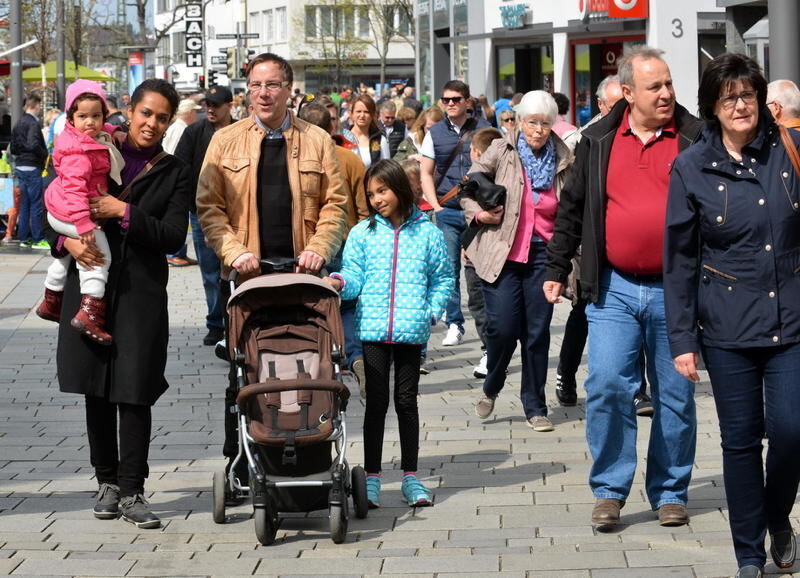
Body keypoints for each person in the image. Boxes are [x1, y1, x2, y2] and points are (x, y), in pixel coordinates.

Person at [543, 46, 703, 528]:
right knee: (609, 384)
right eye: (655, 87)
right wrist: (555, 268)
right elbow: (571, 209)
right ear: (628, 92)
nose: (667, 94)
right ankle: (610, 490)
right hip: (612, 288)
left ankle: (670, 491)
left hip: (676, 294)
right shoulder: (598, 142)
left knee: (675, 395)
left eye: (669, 84)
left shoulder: (694, 139)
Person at [665, 53, 800, 578]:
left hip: (791, 319)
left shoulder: (788, 151)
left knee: (791, 430)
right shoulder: (691, 167)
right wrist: (682, 339)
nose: (740, 105)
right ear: (712, 108)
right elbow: (678, 260)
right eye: (728, 98)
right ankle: (749, 555)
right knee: (741, 441)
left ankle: (775, 516)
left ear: (762, 101)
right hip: (726, 328)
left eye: (747, 95)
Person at [42, 78, 190, 529]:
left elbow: (172, 236)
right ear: (130, 108)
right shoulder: (91, 145)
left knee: (134, 388)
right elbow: (55, 208)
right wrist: (67, 246)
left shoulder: (175, 169)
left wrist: (120, 211)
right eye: (146, 113)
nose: (152, 123)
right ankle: (106, 481)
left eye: (162, 117)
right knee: (96, 385)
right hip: (90, 285)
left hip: (141, 292)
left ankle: (133, 489)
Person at [196, 52, 348, 486]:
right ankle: (241, 459)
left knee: (310, 363)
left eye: (272, 85)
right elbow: (209, 206)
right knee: (244, 368)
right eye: (256, 85)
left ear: (289, 90)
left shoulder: (318, 140)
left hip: (303, 274)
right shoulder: (225, 141)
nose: (263, 93)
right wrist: (232, 251)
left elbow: (336, 204)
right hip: (249, 276)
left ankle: (313, 445)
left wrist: (320, 247)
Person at [324, 159, 453, 508]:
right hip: (373, 329)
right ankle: (373, 477)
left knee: (406, 402)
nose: (377, 199)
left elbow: (443, 277)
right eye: (371, 194)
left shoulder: (427, 232)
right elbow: (352, 276)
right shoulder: (362, 234)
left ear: (399, 187)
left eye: (382, 190)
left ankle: (411, 477)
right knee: (376, 404)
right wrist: (338, 282)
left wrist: (431, 311)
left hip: (412, 331)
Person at [466, 92, 573, 432]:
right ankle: (492, 385)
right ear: (519, 121)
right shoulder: (502, 149)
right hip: (502, 251)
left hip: (544, 254)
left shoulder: (564, 156)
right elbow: (469, 185)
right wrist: (480, 214)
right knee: (503, 328)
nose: (539, 130)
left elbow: (571, 208)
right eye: (532, 122)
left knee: (537, 333)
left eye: (545, 123)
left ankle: (535, 407)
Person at [35, 80, 126, 345]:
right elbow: (75, 192)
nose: (91, 122)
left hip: (59, 208)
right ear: (71, 118)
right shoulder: (79, 152)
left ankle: (51, 300)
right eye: (83, 116)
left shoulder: (88, 137)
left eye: (96, 116)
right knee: (100, 256)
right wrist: (85, 226)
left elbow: (103, 130)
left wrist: (116, 130)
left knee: (64, 258)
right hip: (69, 213)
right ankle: (90, 312)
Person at [297, 101, 369, 392]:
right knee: (348, 304)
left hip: (307, 244)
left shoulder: (297, 159)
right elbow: (365, 208)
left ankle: (320, 363)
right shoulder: (350, 159)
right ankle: (356, 355)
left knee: (311, 304)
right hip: (346, 240)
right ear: (331, 127)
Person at [420, 80, 491, 347]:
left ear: (468, 102)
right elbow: (425, 172)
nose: (450, 103)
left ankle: (488, 330)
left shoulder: (484, 130)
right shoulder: (435, 132)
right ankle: (454, 323)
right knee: (448, 271)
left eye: (456, 99)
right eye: (446, 99)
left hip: (479, 213)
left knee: (480, 272)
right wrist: (436, 206)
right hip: (448, 210)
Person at [174, 85, 235, 348]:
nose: (210, 109)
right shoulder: (194, 132)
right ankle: (216, 323)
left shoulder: (241, 131)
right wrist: (189, 206)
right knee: (210, 271)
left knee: (235, 269)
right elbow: (181, 169)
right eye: (207, 104)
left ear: (229, 106)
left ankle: (235, 322)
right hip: (202, 213)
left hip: (237, 213)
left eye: (216, 104)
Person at [464, 126, 502, 379]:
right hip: (472, 255)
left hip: (494, 255)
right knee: (478, 304)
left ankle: (493, 351)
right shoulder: (470, 179)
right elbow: (467, 210)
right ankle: (491, 349)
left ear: (477, 152)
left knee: (489, 307)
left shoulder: (504, 180)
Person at [10, 93, 49, 249]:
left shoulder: (18, 122)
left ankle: (24, 237)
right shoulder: (33, 123)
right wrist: (44, 153)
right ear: (37, 105)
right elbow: (33, 144)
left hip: (20, 166)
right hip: (32, 166)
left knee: (24, 205)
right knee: (36, 205)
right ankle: (38, 238)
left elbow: (13, 147)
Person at [350, 94, 390, 168]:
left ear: (372, 115)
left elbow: (386, 171)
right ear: (351, 114)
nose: (362, 115)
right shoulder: (342, 138)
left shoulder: (380, 140)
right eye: (358, 111)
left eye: (366, 112)